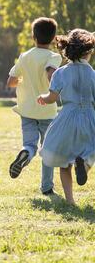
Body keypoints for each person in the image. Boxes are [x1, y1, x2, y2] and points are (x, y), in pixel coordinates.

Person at [39, 29, 95, 204]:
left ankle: (70, 200)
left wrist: (43, 98)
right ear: (88, 52)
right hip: (89, 117)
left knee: (64, 162)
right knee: (91, 149)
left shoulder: (60, 73)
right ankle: (85, 164)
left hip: (67, 118)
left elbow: (52, 98)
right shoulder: (93, 74)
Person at [7, 17, 62, 195]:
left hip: (27, 110)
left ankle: (25, 154)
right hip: (47, 110)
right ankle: (47, 187)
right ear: (54, 38)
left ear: (33, 37)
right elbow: (50, 73)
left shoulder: (25, 56)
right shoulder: (54, 56)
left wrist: (23, 80)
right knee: (48, 150)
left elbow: (11, 81)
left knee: (29, 144)